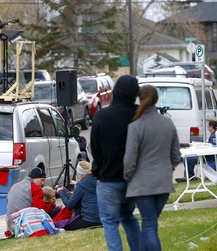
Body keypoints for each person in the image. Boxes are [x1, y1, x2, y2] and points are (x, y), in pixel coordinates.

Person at [124, 84, 181, 251]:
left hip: (142, 185)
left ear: (139, 99)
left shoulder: (135, 126)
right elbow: (176, 155)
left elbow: (130, 160)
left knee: (149, 225)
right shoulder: (168, 123)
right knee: (151, 224)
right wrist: (167, 170)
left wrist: (128, 178)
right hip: (163, 183)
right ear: (156, 99)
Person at [90, 75, 141, 251]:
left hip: (109, 178)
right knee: (128, 216)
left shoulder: (102, 116)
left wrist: (97, 172)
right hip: (134, 179)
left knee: (110, 221)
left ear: (116, 92)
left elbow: (95, 150)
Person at [55, 161, 101, 230]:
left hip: (89, 220)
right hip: (103, 220)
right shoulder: (98, 180)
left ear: (79, 173)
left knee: (61, 225)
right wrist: (65, 191)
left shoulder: (81, 184)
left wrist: (60, 192)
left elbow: (69, 205)